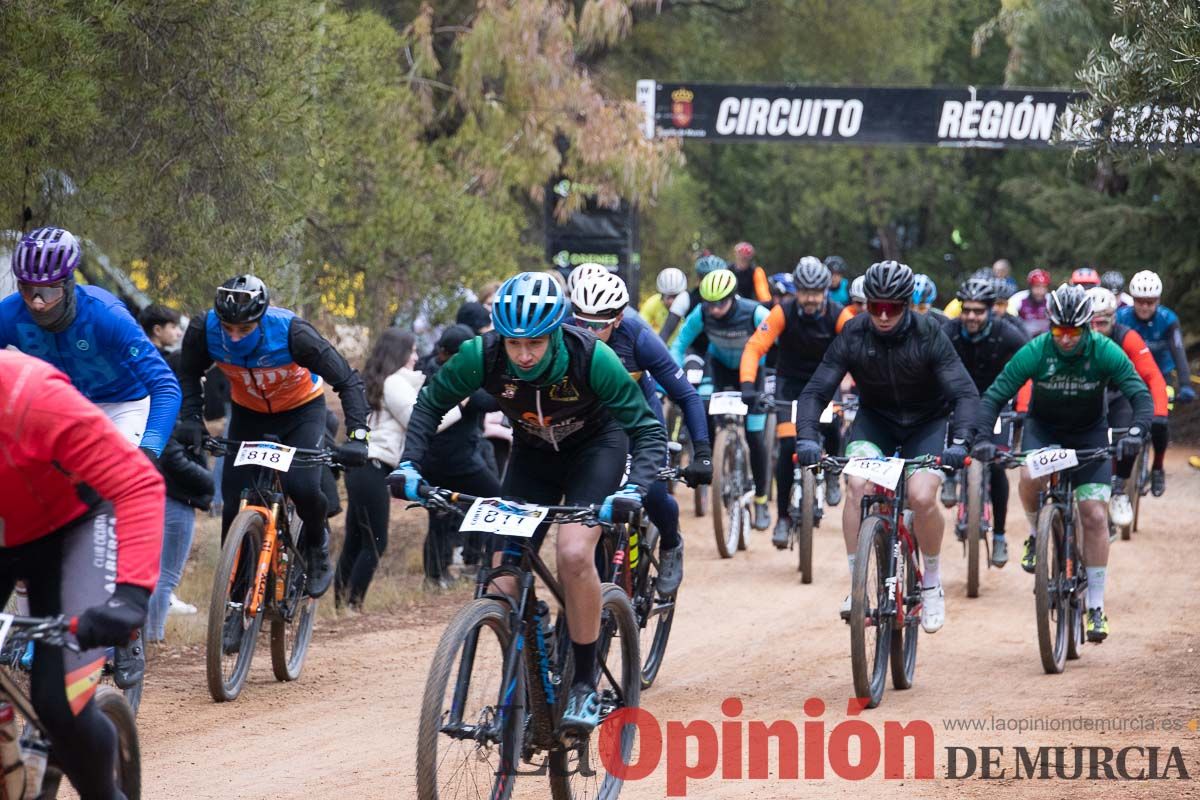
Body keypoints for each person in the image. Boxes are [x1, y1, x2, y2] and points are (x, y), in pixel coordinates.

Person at [390, 272, 667, 737]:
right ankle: (521, 686)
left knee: (575, 554)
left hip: (595, 450)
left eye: (535, 344)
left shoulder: (591, 357)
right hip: (533, 457)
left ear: (557, 330)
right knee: (501, 582)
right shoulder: (483, 354)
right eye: (514, 343)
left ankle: (582, 683)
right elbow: (430, 403)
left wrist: (634, 489)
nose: (523, 355)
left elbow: (647, 429)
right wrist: (410, 465)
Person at [0, 349, 164, 798]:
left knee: (59, 704)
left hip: (69, 530)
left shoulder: (32, 395)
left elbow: (137, 483)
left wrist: (131, 594)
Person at [795, 261, 978, 632]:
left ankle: (930, 583)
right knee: (857, 486)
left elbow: (964, 393)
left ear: (906, 305)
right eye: (874, 306)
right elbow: (816, 390)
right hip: (876, 420)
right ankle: (857, 585)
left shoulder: (929, 333)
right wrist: (807, 436)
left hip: (926, 422)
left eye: (891, 308)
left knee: (922, 496)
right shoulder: (854, 332)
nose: (881, 315)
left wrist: (960, 442)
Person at [175, 275, 371, 606]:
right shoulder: (203, 329)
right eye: (228, 328)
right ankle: (235, 601)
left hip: (301, 412)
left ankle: (316, 539)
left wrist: (358, 437)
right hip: (249, 415)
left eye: (244, 329)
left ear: (261, 318)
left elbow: (348, 381)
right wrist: (192, 419)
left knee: (304, 486)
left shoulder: (293, 333)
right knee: (235, 499)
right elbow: (188, 373)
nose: (234, 337)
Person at [975, 284, 1151, 643]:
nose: (1066, 339)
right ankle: (1036, 533)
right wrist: (981, 437)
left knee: (1095, 515)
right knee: (1028, 474)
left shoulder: (1104, 350)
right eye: (1059, 331)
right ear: (1050, 326)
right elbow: (995, 394)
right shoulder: (1037, 350)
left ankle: (1096, 606)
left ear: (1087, 327)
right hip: (1045, 431)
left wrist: (1136, 431)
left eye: (1074, 331)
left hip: (1089, 434)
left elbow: (1139, 393)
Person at [571, 270, 713, 594]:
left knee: (651, 491)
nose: (590, 332)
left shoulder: (639, 338)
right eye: (583, 323)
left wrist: (702, 452)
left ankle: (672, 541)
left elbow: (686, 396)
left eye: (600, 324)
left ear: (619, 318)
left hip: (639, 417)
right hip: (595, 422)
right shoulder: (565, 330)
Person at [0, 226, 182, 457]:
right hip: (63, 407)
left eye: (47, 292)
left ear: (68, 285)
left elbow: (165, 386)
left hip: (123, 405)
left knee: (114, 481)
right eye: (28, 290)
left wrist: (150, 449)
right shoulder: (9, 313)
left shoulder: (106, 314)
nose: (37, 303)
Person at [741, 257, 845, 548]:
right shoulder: (782, 312)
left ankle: (833, 472)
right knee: (788, 447)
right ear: (796, 291)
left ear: (825, 291)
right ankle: (783, 518)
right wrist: (748, 385)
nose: (810, 299)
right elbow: (754, 347)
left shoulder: (839, 315)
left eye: (816, 292)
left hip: (826, 383)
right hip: (790, 385)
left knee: (834, 425)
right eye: (804, 292)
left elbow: (861, 350)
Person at [671, 268, 773, 530]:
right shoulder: (702, 313)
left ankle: (761, 500)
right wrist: (672, 373)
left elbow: (781, 343)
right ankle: (715, 464)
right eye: (709, 304)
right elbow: (679, 344)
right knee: (703, 411)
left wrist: (774, 380)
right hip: (719, 368)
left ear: (733, 297)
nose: (714, 310)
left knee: (754, 435)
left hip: (753, 373)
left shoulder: (755, 312)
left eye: (721, 304)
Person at [939, 278, 1028, 565]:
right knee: (948, 438)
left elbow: (1031, 364)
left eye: (978, 311)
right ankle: (950, 478)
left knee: (998, 465)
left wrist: (1024, 406)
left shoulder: (1007, 334)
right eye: (967, 310)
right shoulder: (949, 331)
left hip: (997, 403)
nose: (971, 317)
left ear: (991, 310)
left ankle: (1000, 536)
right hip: (957, 401)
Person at [138, 304, 213, 634]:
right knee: (164, 574)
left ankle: (149, 636)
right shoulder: (172, 406)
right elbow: (169, 453)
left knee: (155, 572)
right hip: (173, 494)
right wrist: (205, 481)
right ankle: (151, 637)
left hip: (167, 491)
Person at [338, 328, 422, 609]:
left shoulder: (375, 380)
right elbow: (416, 420)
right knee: (375, 542)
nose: (416, 357)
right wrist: (460, 407)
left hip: (360, 466)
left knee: (355, 539)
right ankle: (352, 604)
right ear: (399, 353)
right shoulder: (395, 382)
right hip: (372, 467)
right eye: (412, 351)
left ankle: (340, 604)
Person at [417, 324, 504, 588]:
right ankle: (485, 563)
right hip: (459, 460)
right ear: (451, 353)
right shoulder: (456, 376)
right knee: (497, 500)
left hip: (433, 459)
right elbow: (489, 402)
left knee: (439, 514)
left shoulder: (431, 369)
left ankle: (435, 575)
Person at [1086, 287, 1170, 528]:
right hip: (1088, 394)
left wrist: (1160, 414)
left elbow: (1153, 376)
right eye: (1090, 324)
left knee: (1128, 433)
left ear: (1113, 319)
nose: (1095, 330)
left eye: (1101, 323)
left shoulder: (1127, 337)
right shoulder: (1075, 339)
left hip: (1118, 393)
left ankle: (1119, 487)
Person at [1116, 270, 1195, 495]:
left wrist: (1186, 384)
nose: (1144, 307)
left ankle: (1158, 466)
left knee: (1159, 423)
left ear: (1157, 301)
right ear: (1133, 299)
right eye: (1140, 301)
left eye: (1150, 302)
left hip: (1161, 376)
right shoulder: (1122, 317)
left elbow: (1179, 353)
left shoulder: (1168, 320)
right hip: (1129, 376)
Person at [639, 267, 691, 343]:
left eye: (676, 296)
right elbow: (639, 327)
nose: (672, 301)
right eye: (669, 296)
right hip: (658, 346)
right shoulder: (653, 302)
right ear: (662, 294)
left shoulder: (690, 304)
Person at [1013, 268, 1051, 336]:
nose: (1041, 292)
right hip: (1023, 338)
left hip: (1045, 339)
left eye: (1044, 287)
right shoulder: (1019, 298)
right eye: (1037, 287)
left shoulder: (1051, 300)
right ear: (1030, 287)